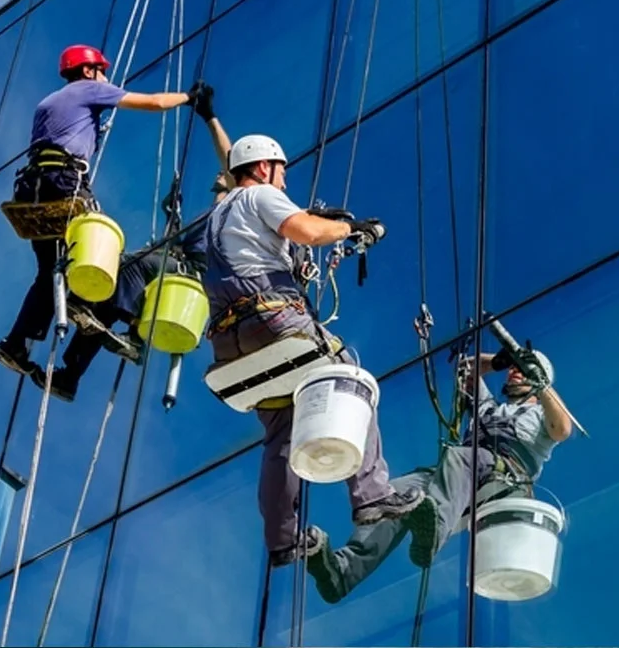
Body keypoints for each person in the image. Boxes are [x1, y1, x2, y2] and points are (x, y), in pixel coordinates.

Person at [201, 133, 425, 567]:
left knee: (282, 432)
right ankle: (373, 496)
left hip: (231, 342)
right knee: (349, 378)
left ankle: (281, 540)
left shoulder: (216, 216)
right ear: (263, 167)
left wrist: (295, 257)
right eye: (281, 171)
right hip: (271, 317)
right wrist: (347, 228)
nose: (283, 183)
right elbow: (305, 230)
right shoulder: (260, 195)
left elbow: (255, 253)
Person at [0, 44, 213, 377]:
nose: (106, 79)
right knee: (104, 250)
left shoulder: (47, 103)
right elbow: (153, 102)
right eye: (102, 72)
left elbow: (65, 132)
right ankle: (87, 305)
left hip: (32, 189)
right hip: (64, 181)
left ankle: (16, 344)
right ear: (87, 70)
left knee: (49, 272)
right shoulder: (90, 88)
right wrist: (187, 96)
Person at [304, 347, 572, 603]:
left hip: (504, 478)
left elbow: (562, 428)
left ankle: (432, 534)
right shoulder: (489, 408)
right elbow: (466, 369)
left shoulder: (542, 414)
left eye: (522, 370)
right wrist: (500, 359)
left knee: (460, 457)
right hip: (462, 477)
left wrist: (541, 382)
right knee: (394, 494)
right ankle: (342, 572)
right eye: (513, 368)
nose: (515, 372)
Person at [25, 81, 226, 403]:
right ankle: (69, 376)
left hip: (189, 271)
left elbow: (232, 161)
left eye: (224, 176)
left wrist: (208, 116)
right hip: (177, 264)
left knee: (126, 267)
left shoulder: (238, 200)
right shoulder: (214, 212)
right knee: (104, 304)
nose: (218, 177)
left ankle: (130, 335)